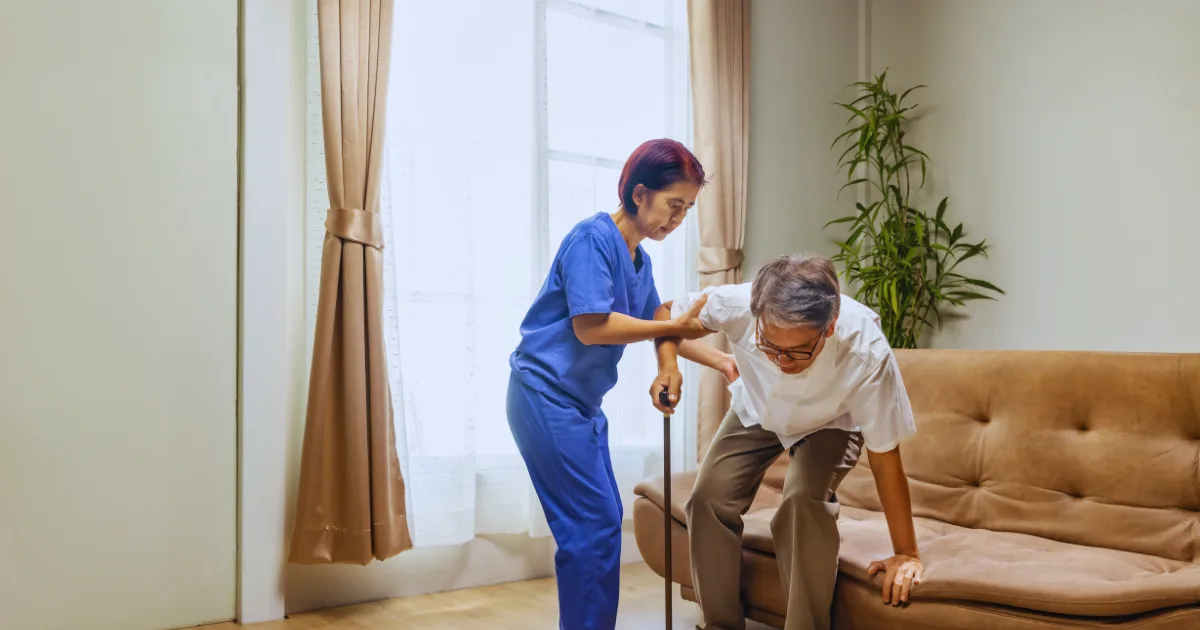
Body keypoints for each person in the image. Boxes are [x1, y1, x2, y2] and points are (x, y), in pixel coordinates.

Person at [507, 138, 730, 630]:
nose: (677, 220)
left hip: (580, 405)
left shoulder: (638, 259)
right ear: (639, 194)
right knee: (591, 527)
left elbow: (657, 318)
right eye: (674, 205)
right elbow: (593, 325)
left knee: (601, 523)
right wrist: (673, 334)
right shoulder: (591, 240)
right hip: (544, 395)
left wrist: (712, 362)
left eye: (687, 210)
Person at [650, 253, 925, 630]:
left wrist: (906, 553)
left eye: (797, 352)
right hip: (759, 408)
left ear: (828, 329)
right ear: (757, 314)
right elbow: (666, 314)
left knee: (802, 502)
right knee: (707, 499)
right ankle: (719, 624)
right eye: (769, 345)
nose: (782, 360)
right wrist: (670, 365)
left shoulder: (866, 352)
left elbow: (885, 458)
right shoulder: (736, 303)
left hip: (831, 421)